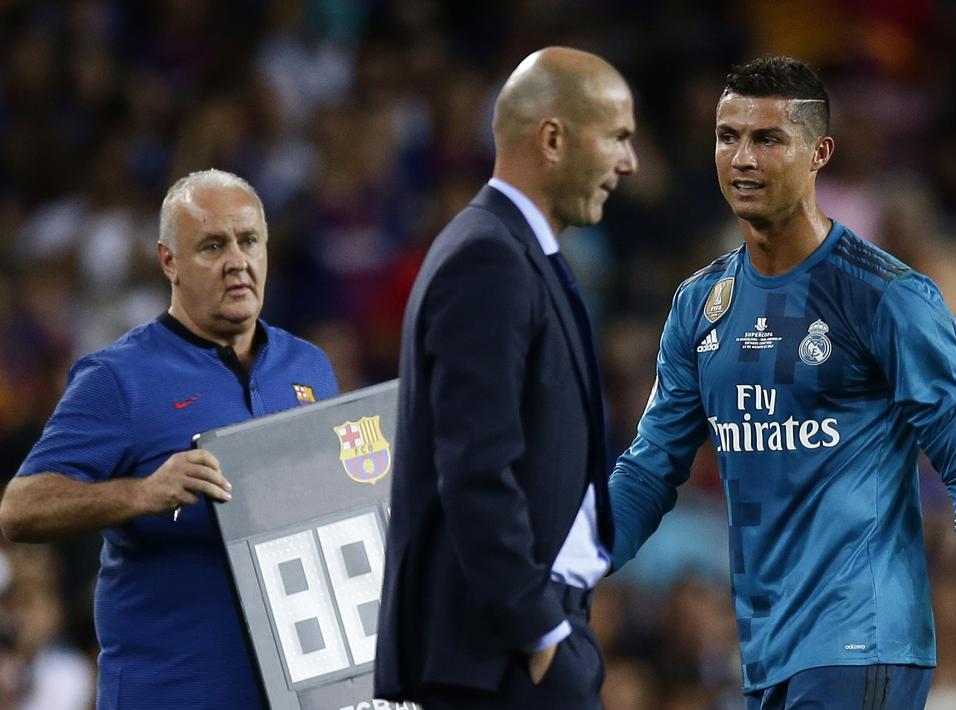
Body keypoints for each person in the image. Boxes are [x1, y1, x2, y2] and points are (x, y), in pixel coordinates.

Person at [608, 57, 956, 710]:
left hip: (864, 643)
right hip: (763, 653)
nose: (742, 157)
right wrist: (564, 572)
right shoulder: (700, 305)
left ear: (818, 153)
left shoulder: (885, 297)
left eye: (767, 138)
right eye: (728, 137)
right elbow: (646, 472)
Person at [0, 169, 339, 709]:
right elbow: (19, 508)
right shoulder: (119, 378)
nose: (237, 261)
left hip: (293, 695)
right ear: (168, 262)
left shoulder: (310, 368)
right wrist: (141, 493)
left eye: (249, 241)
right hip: (169, 694)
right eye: (212, 245)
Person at [373, 47, 636, 709]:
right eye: (617, 138)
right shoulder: (487, 257)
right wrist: (540, 631)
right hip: (495, 659)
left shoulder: (516, 252)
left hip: (520, 648)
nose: (628, 163)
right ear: (553, 138)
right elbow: (475, 468)